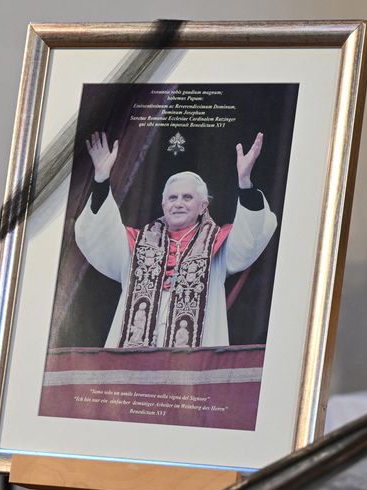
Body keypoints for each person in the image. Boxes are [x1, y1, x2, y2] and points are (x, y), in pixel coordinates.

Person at [74, 130, 277, 348]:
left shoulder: (217, 244)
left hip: (193, 356)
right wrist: (101, 180)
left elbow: (251, 236)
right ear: (163, 206)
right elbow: (99, 233)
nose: (178, 203)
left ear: (203, 207)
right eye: (172, 197)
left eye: (187, 197)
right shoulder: (138, 243)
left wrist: (245, 182)